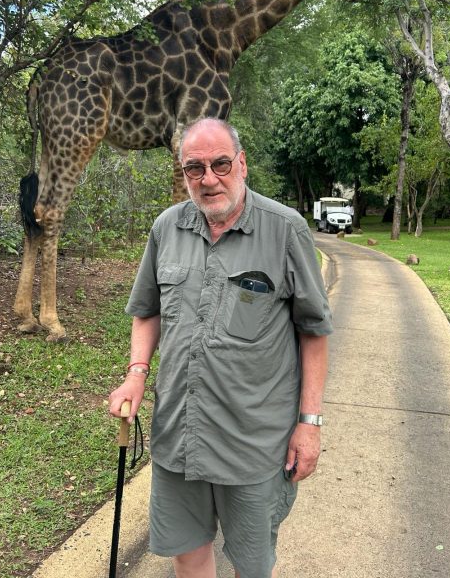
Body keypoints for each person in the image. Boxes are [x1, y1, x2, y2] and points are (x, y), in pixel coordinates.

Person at [108, 118, 332, 578]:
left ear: (242, 164)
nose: (208, 179)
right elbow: (147, 310)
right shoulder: (167, 228)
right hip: (179, 433)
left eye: (221, 164)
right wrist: (136, 372)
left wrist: (309, 424)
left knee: (251, 564)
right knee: (187, 553)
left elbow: (313, 331)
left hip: (253, 443)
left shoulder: (285, 230)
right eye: (195, 168)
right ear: (184, 173)